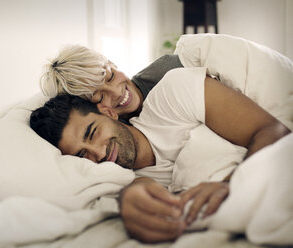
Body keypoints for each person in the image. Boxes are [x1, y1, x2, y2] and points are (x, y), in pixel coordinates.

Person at [31, 67, 291, 243]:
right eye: (82, 155)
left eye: (92, 132)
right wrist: (130, 202)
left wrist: (231, 184)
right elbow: (139, 189)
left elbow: (272, 129)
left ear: (108, 112)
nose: (99, 153)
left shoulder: (173, 93)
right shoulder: (122, 179)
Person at [40, 45, 183, 121]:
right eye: (100, 98)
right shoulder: (114, 134)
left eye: (111, 77)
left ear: (112, 63)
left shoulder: (168, 69)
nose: (116, 92)